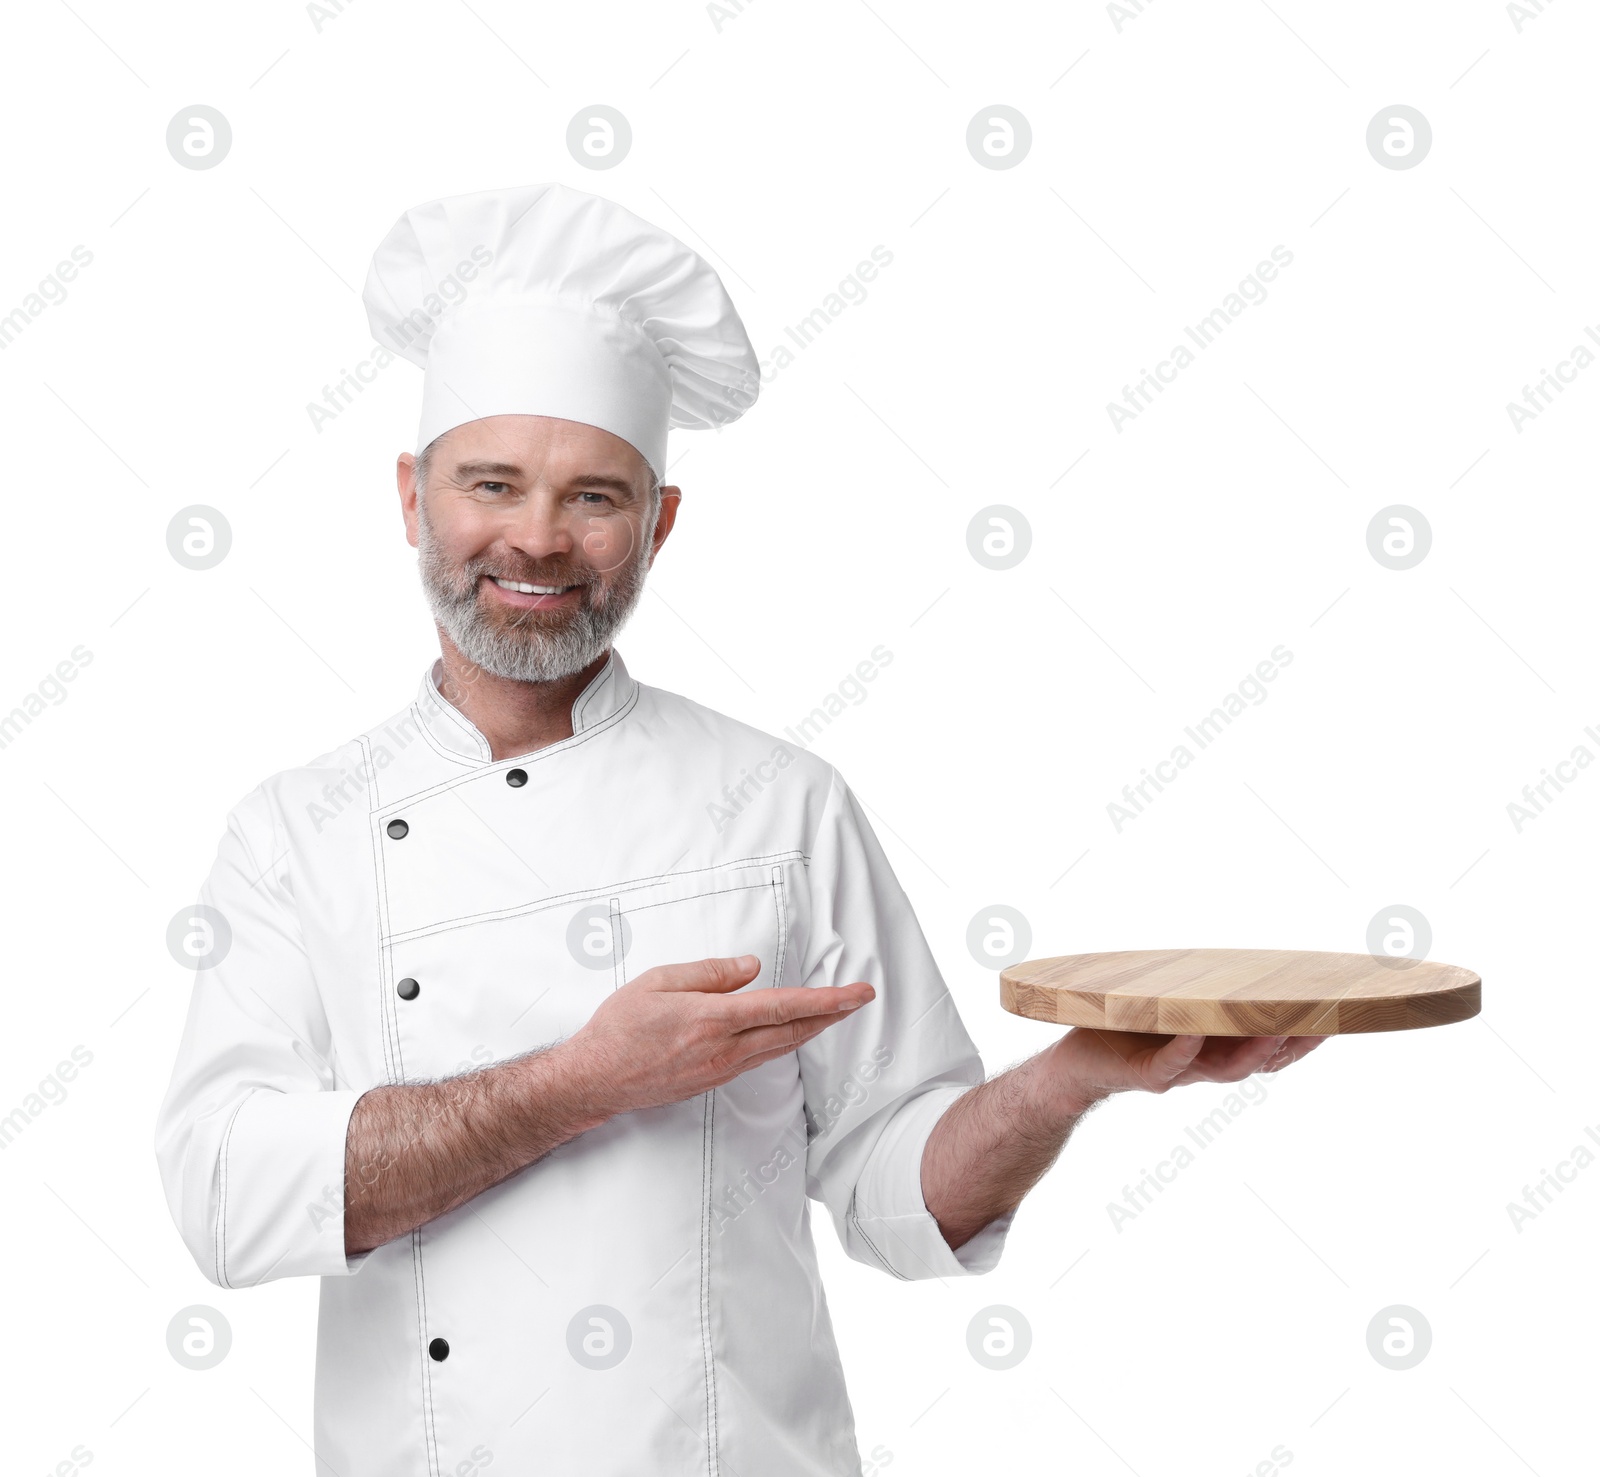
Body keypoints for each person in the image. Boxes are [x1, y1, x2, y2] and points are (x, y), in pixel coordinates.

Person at [154, 182, 1323, 1477]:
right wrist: (585, 1079)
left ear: (657, 525)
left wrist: (1075, 1075)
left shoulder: (778, 804)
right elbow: (224, 1197)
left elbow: (897, 1189)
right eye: (492, 484)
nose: (538, 538)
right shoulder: (295, 833)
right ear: (411, 496)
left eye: (595, 496)